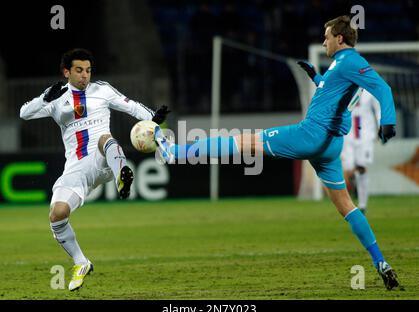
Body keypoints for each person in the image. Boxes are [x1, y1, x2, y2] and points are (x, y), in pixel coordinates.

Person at [155, 16, 399, 290]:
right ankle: (381, 263)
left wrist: (387, 120)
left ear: (339, 38)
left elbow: (383, 87)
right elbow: (333, 95)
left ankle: (174, 151)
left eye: (327, 36)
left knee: (244, 141)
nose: (323, 41)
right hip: (330, 146)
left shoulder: (352, 60)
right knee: (346, 205)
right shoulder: (341, 64)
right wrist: (317, 78)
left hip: (311, 135)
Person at [19, 48, 169, 291]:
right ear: (67, 72)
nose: (84, 76)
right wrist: (45, 98)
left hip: (105, 158)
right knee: (57, 215)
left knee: (104, 138)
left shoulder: (102, 90)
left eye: (88, 70)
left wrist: (153, 117)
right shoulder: (57, 98)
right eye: (79, 70)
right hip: (77, 168)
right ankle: (81, 262)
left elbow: (130, 106)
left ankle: (122, 176)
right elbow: (24, 114)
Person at [341, 89, 381, 214]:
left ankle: (362, 205)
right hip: (348, 135)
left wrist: (381, 126)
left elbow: (379, 110)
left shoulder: (370, 91)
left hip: (365, 135)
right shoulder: (345, 90)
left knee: (361, 167)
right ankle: (352, 193)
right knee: (348, 169)